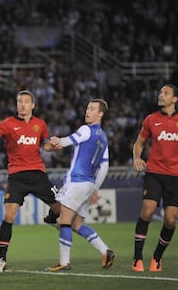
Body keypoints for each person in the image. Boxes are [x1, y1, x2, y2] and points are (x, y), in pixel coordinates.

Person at [0, 89, 60, 273]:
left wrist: (55, 145)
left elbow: (45, 145)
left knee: (60, 210)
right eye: (19, 101)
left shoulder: (40, 124)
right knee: (9, 216)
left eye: (26, 101)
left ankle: (50, 218)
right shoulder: (8, 123)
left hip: (38, 174)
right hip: (17, 175)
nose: (22, 104)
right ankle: (1, 259)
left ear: (33, 105)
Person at [132, 84, 178, 272]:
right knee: (147, 211)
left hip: (176, 177)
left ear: (175, 99)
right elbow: (139, 143)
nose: (161, 95)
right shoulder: (151, 119)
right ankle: (137, 258)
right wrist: (137, 157)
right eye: (160, 92)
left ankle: (157, 258)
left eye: (166, 93)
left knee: (170, 220)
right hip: (154, 173)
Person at [46, 99, 115, 271]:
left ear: (100, 114)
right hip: (89, 184)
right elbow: (105, 167)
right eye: (87, 108)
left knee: (65, 221)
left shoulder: (86, 129)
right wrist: (95, 189)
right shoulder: (104, 138)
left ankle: (64, 262)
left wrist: (56, 140)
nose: (87, 111)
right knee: (77, 225)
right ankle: (105, 251)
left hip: (77, 181)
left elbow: (68, 141)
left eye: (92, 109)